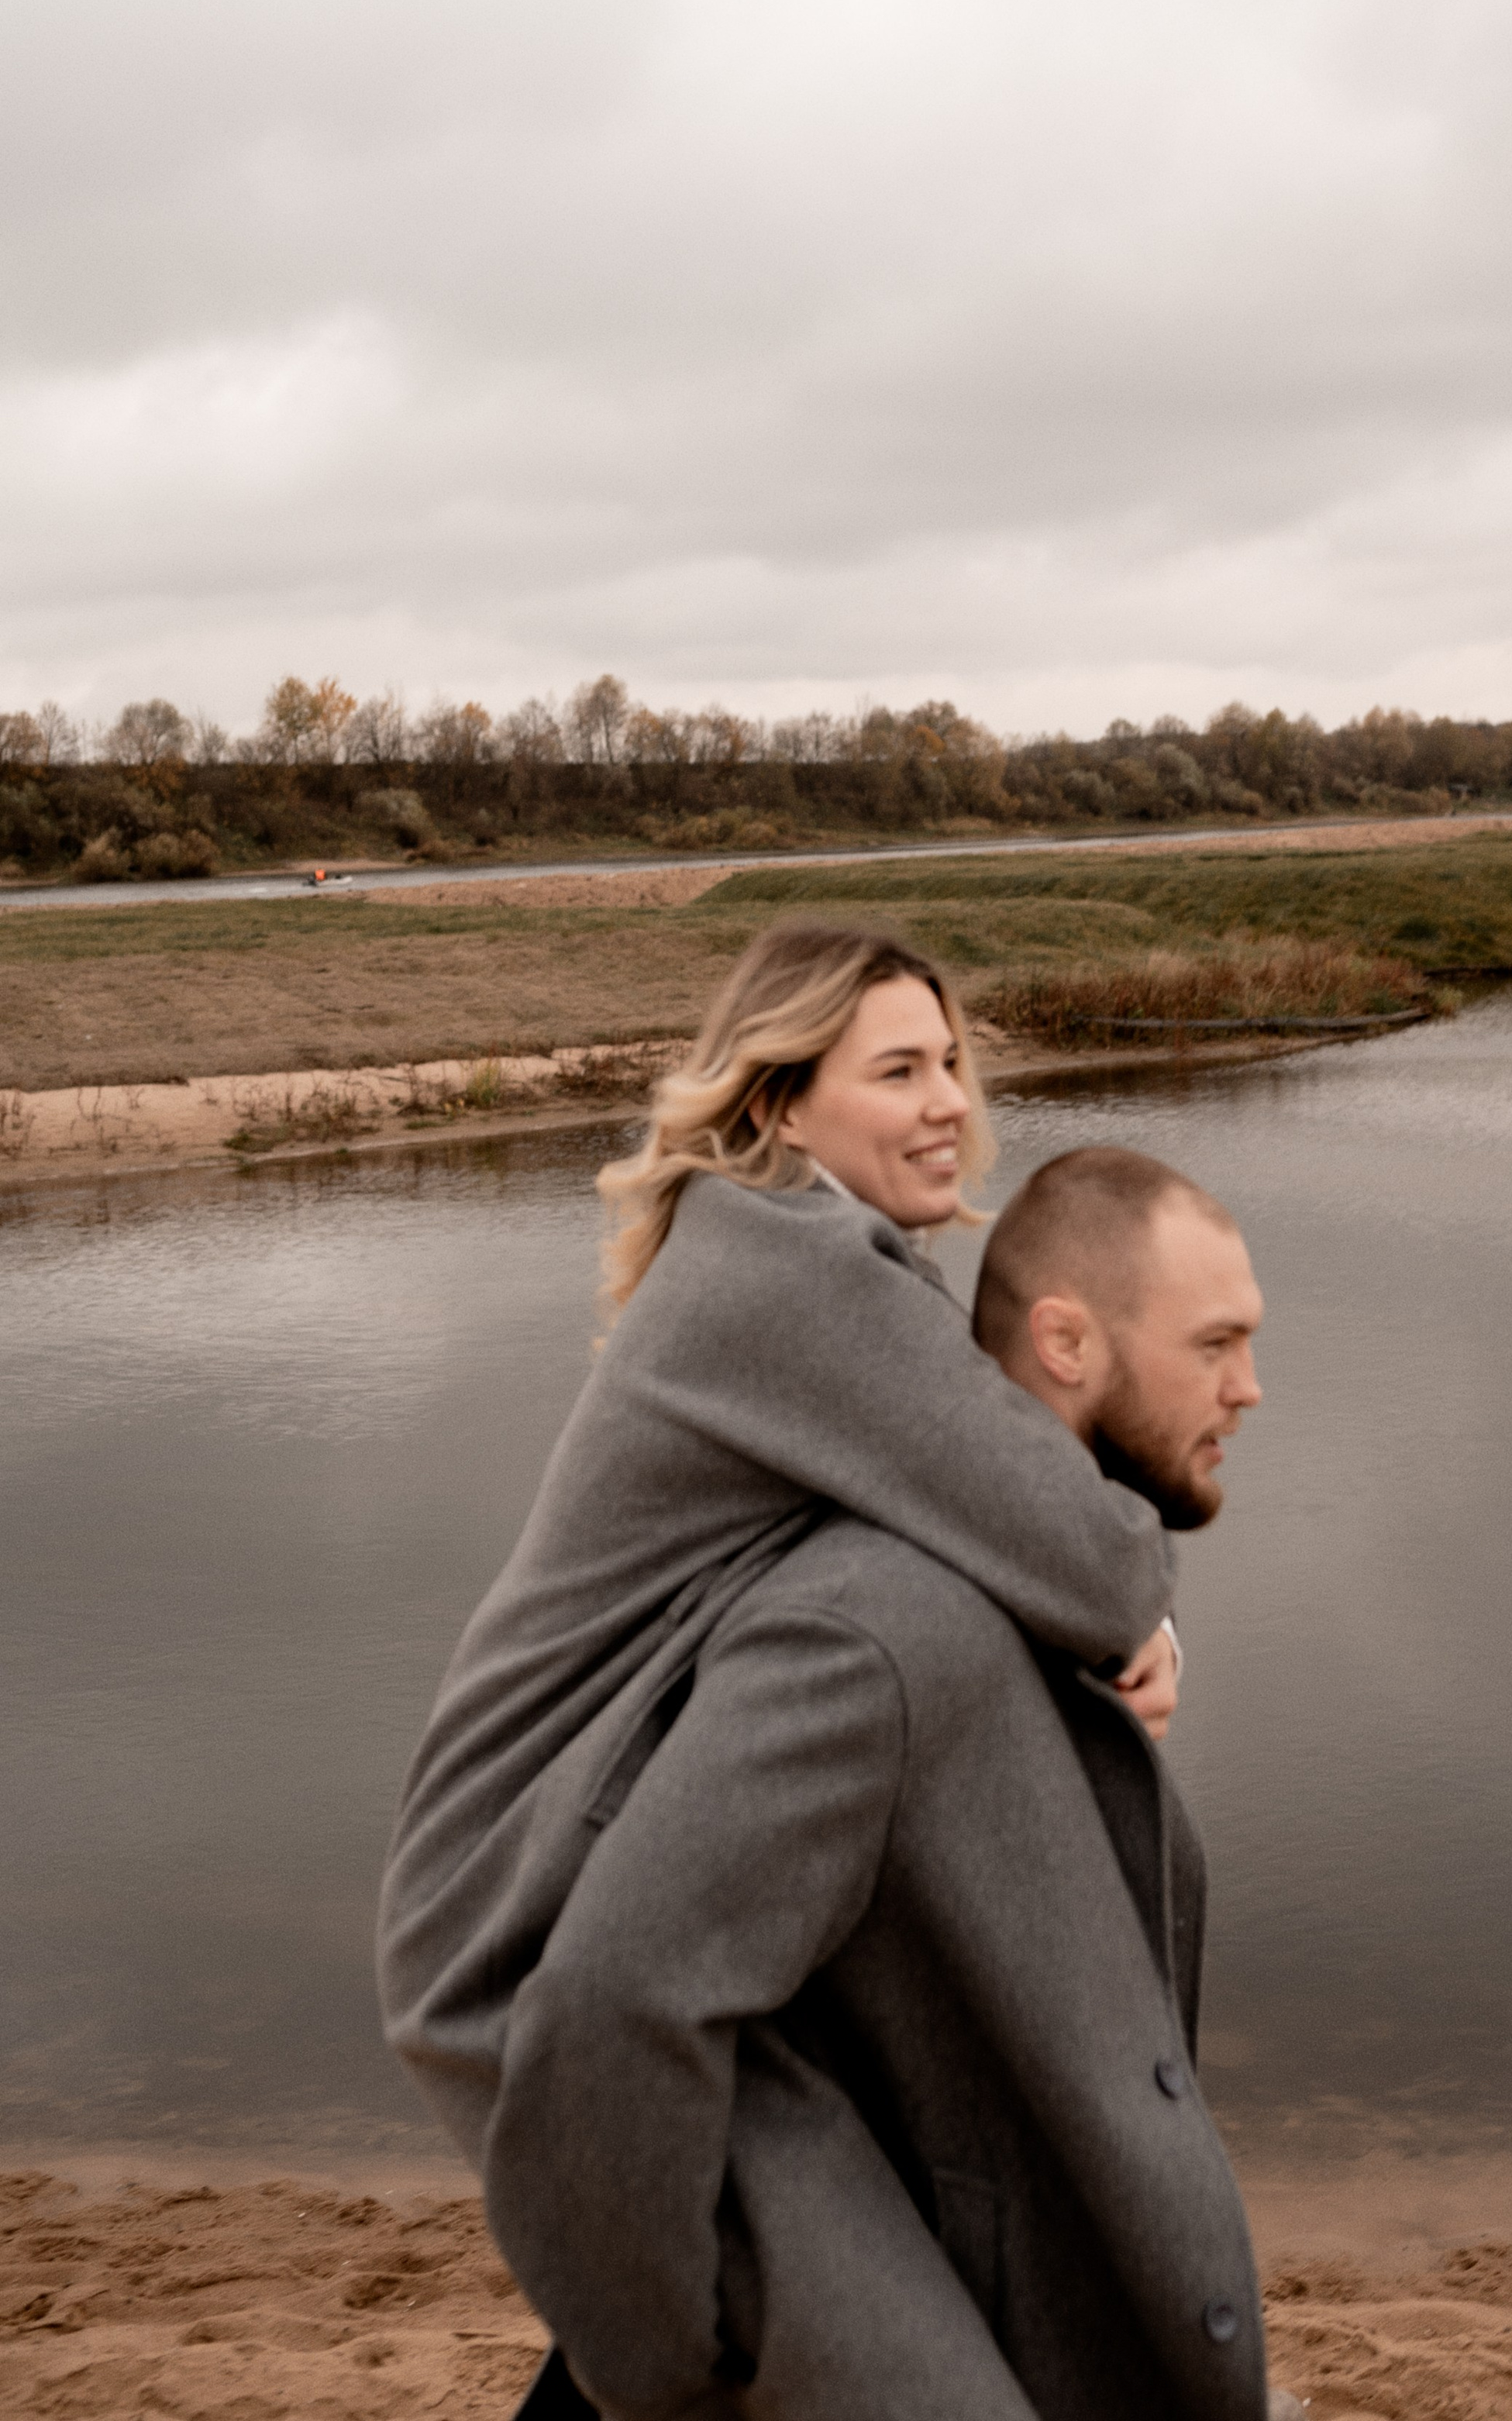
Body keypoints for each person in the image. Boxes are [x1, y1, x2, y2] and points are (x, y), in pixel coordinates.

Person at [379, 921, 1177, 2179]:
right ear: (784, 1106)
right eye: (899, 1071)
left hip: (616, 1864)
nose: (950, 1106)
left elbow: (986, 1513)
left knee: (765, 2310)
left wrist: (1122, 1614)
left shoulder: (776, 1242)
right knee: (765, 2314)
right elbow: (1093, 1562)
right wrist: (1134, 1612)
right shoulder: (795, 1270)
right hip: (537, 1907)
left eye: (952, 1063)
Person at [493, 1145, 1278, 2421]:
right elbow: (610, 2005)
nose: (1250, 1388)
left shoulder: (1016, 1591)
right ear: (1067, 1344)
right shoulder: (881, 1628)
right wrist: (672, 2374)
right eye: (1216, 1344)